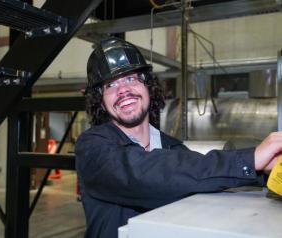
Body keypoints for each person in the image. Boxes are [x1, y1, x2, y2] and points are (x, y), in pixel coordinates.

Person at [75, 37, 281, 238]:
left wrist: (264, 171)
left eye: (130, 78)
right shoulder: (92, 147)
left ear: (148, 86)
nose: (123, 90)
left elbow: (199, 177)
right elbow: (146, 173)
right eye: (110, 85)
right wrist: (249, 159)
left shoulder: (172, 147)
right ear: (101, 102)